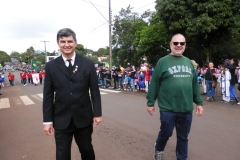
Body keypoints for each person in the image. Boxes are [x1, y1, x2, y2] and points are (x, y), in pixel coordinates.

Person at [43, 28, 102, 160]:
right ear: (58, 44)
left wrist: (97, 113)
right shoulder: (51, 66)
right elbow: (47, 95)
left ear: (75, 43)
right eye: (62, 41)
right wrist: (47, 121)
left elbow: (94, 90)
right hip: (61, 119)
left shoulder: (87, 63)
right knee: (62, 154)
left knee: (86, 150)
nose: (66, 44)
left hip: (83, 117)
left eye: (70, 41)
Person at [146, 33, 203, 160]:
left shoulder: (188, 62)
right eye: (175, 43)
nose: (178, 45)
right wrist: (150, 103)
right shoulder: (162, 61)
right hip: (168, 108)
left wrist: (199, 102)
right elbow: (154, 83)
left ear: (185, 45)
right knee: (166, 133)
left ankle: (182, 158)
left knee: (183, 137)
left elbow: (194, 85)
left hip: (186, 108)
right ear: (170, 45)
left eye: (181, 43)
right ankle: (159, 148)